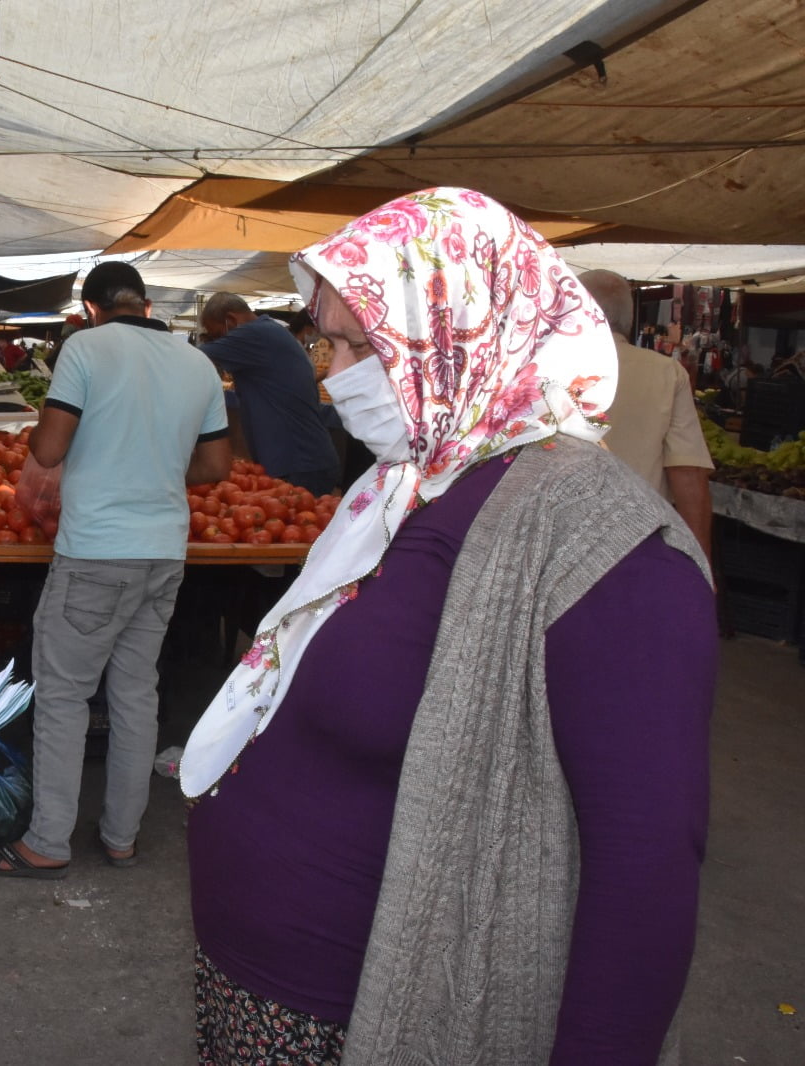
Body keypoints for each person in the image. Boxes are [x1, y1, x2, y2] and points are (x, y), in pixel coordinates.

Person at [183, 189, 715, 1065]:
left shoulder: (604, 544)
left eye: (362, 345)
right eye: (328, 340)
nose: (332, 371)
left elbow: (645, 868)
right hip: (261, 983)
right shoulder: (403, 487)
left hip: (378, 1011)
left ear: (468, 332)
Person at [0, 261, 230, 878]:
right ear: (143, 303)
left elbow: (49, 448)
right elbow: (216, 465)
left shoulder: (86, 348)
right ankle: (121, 836)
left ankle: (48, 843)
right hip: (164, 551)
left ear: (91, 308)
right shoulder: (196, 362)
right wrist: (158, 471)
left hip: (96, 552)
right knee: (137, 694)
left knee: (63, 696)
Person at [579, 269, 714, 561]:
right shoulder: (666, 373)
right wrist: (700, 564)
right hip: (636, 547)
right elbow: (688, 472)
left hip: (556, 547)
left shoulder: (539, 370)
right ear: (629, 320)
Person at [198, 293, 341, 494]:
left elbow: (193, 356)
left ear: (231, 320)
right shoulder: (269, 332)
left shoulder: (255, 334)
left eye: (216, 335)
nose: (217, 341)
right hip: (302, 461)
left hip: (300, 464)